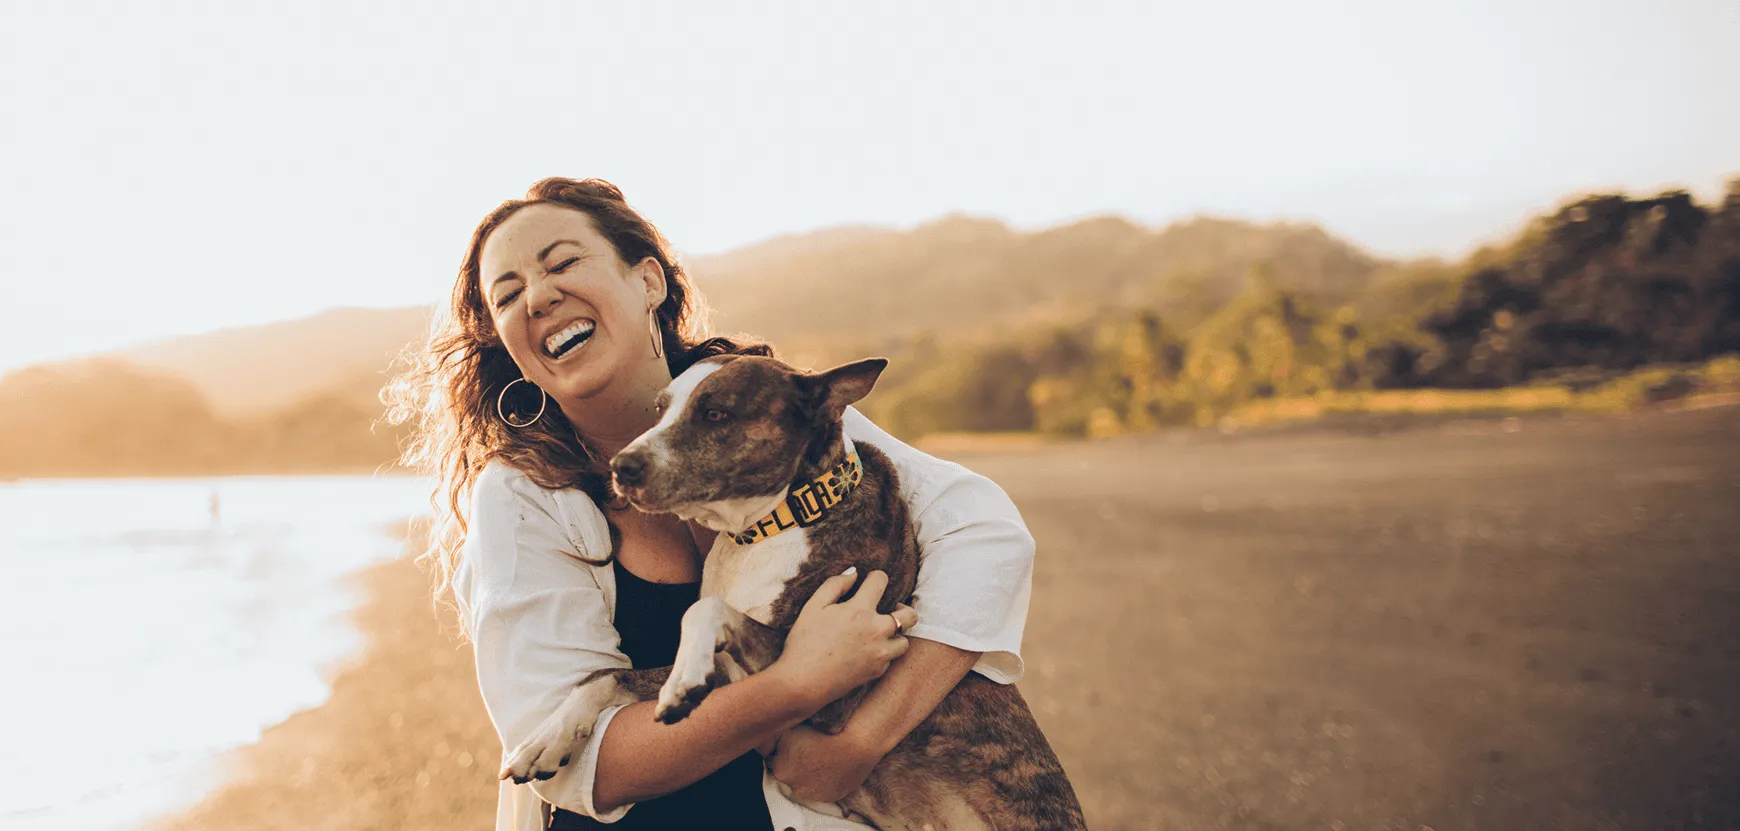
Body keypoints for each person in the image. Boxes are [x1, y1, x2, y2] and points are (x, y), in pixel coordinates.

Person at [387, 178, 1036, 831]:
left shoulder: (771, 407)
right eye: (508, 293)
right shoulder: (521, 495)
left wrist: (859, 740)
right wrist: (794, 685)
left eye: (562, 262)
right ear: (510, 348)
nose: (539, 294)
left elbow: (982, 529)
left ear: (649, 282)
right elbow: (585, 765)